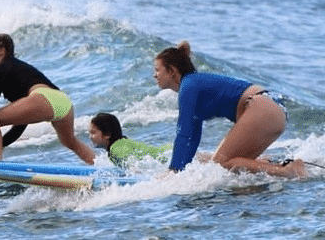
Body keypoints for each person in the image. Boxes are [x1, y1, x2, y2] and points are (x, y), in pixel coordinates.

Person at [154, 40, 305, 178]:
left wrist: (173, 171)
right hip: (272, 109)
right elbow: (192, 136)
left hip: (263, 107)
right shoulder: (193, 84)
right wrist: (181, 170)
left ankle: (287, 171)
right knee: (221, 162)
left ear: (172, 71)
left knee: (219, 164)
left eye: (157, 70)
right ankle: (278, 164)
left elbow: (184, 133)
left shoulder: (189, 85)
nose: (155, 75)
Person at [0, 33, 95, 163]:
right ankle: (100, 166)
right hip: (63, 102)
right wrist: (0, 144)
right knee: (70, 142)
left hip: (43, 98)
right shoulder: (19, 70)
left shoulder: (2, 68)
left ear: (1, 51)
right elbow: (20, 125)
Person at [89, 112, 170, 167]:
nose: (90, 137)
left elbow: (132, 165)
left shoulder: (117, 148)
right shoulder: (118, 145)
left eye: (93, 133)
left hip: (167, 155)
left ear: (107, 134)